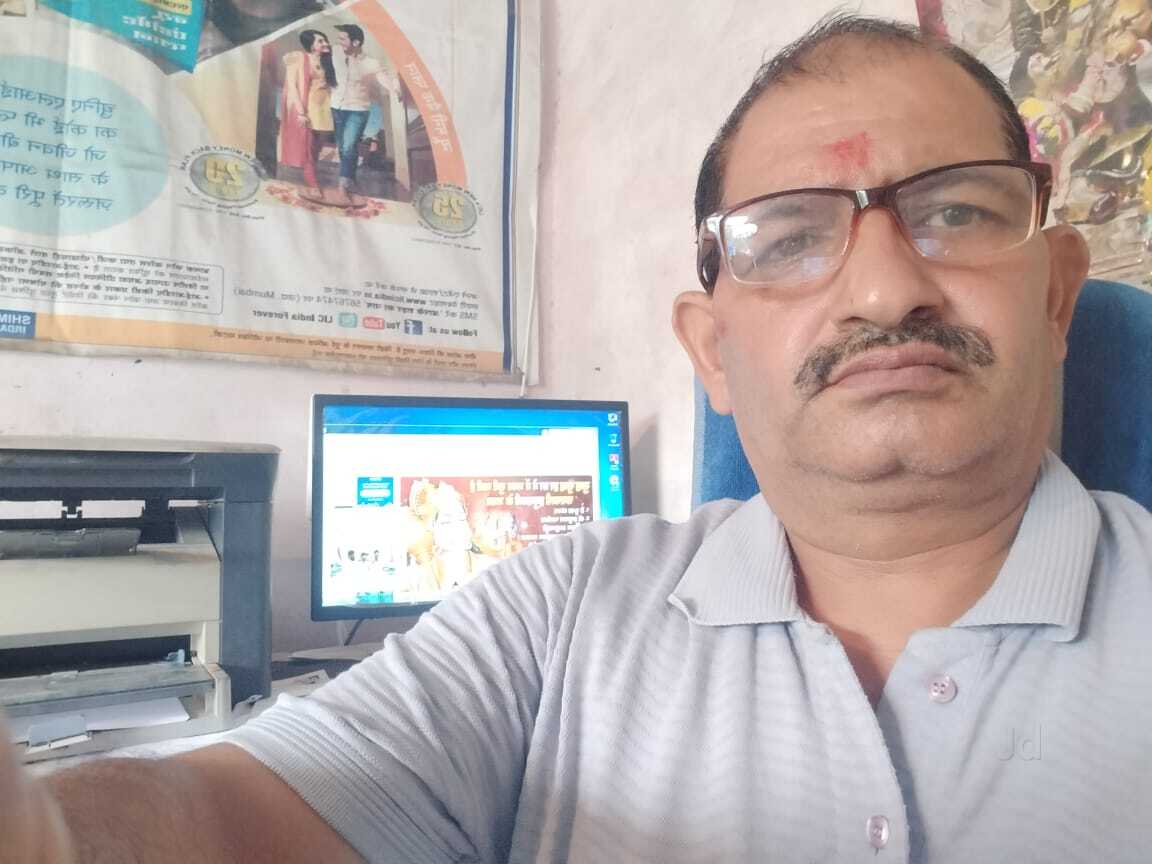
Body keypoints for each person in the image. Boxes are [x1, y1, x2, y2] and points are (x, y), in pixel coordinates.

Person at [5, 13, 1152, 863]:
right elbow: (241, 813)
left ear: (1057, 294)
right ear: (711, 351)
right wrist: (50, 839)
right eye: (791, 238)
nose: (886, 288)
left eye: (957, 210)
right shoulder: (559, 608)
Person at [329, 23, 400, 206]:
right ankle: (351, 178)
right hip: (336, 107)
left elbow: (383, 78)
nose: (339, 42)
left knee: (348, 146)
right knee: (344, 147)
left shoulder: (371, 63)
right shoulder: (335, 52)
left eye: (343, 39)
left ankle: (342, 186)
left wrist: (394, 89)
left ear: (356, 42)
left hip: (358, 109)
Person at [279, 29, 337, 204]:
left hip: (324, 109)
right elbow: (292, 86)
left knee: (316, 149)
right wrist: (300, 112)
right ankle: (313, 184)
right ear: (311, 45)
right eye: (320, 41)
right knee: (308, 149)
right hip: (308, 108)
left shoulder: (327, 61)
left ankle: (311, 173)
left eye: (325, 40)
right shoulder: (298, 58)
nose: (325, 43)